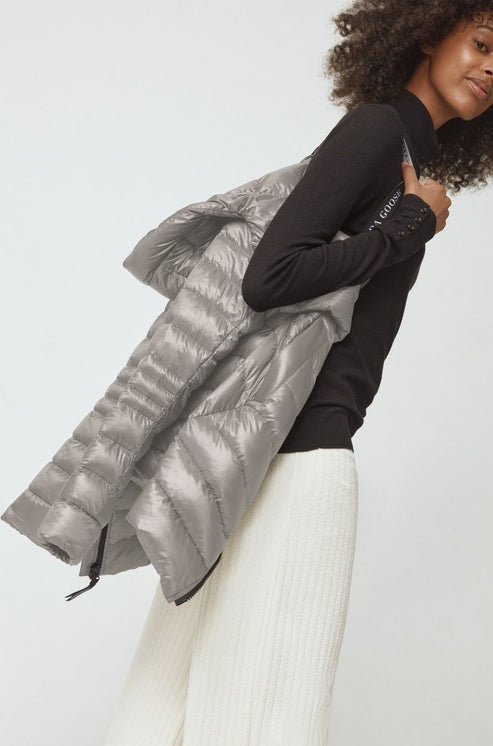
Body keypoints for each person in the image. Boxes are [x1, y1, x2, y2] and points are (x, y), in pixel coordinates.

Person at [102, 5, 493, 745]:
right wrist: (409, 225)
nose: (490, 68)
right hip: (299, 452)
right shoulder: (379, 132)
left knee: (163, 703)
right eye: (482, 43)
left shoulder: (409, 151)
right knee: (275, 715)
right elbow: (269, 277)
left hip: (250, 457)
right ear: (428, 30)